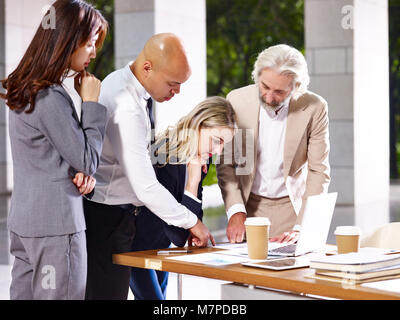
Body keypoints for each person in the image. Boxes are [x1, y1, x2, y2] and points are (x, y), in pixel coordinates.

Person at [83, 33, 215, 300]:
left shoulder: (124, 80)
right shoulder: (128, 107)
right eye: (173, 83)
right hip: (109, 219)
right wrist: (193, 223)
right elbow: (145, 186)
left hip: (115, 215)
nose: (176, 91)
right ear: (147, 68)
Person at [0, 0, 108, 300]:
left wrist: (78, 175)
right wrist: (91, 105)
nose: (94, 52)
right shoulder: (50, 96)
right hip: (56, 228)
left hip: (25, 223)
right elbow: (88, 159)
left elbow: (48, 155)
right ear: (67, 41)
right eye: (89, 43)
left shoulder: (23, 89)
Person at [216, 44, 331, 244]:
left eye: (279, 92)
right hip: (248, 205)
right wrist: (235, 210)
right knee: (243, 273)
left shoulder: (315, 107)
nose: (269, 98)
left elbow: (318, 171)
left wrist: (302, 226)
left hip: (293, 208)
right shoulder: (235, 100)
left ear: (296, 87)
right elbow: (227, 163)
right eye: (265, 87)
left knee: (295, 273)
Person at [130, 96, 237, 300]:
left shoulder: (198, 160)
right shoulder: (166, 157)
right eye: (217, 141)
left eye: (223, 145)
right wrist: (192, 183)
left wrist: (195, 183)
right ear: (199, 124)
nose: (217, 151)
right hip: (136, 248)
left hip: (160, 248)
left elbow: (194, 219)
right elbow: (178, 235)